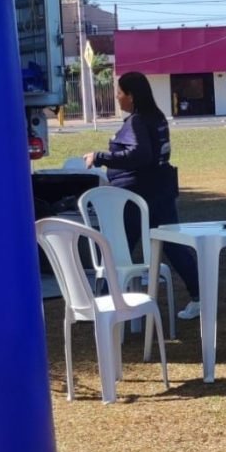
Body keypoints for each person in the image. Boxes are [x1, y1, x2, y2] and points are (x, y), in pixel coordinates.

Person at [85, 72, 201, 320]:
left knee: (119, 247)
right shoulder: (156, 117)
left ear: (131, 95)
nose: (117, 97)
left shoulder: (137, 121)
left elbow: (140, 155)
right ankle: (200, 296)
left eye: (119, 92)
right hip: (159, 191)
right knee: (171, 244)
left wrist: (100, 156)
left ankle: (105, 303)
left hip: (136, 197)